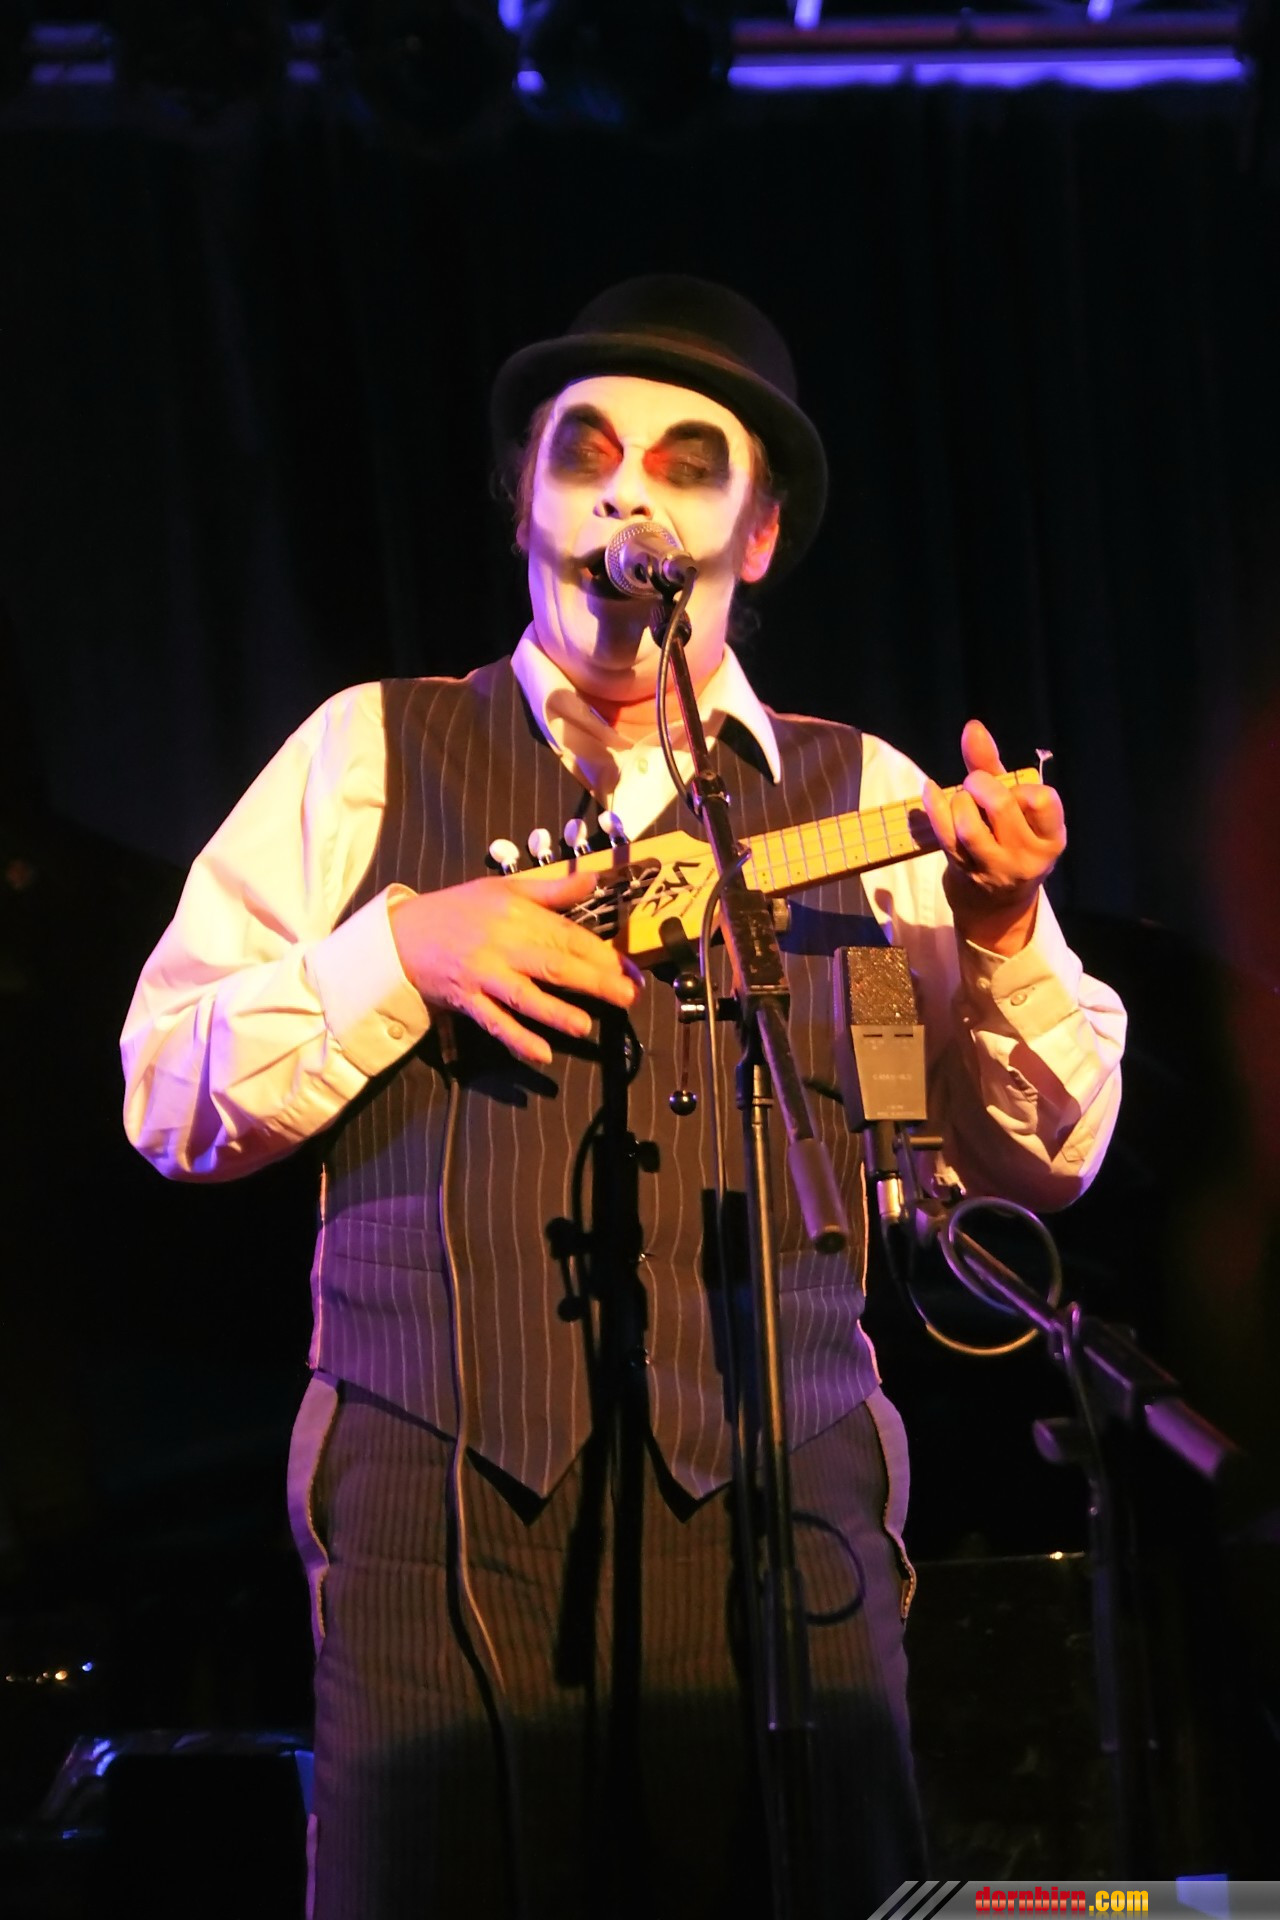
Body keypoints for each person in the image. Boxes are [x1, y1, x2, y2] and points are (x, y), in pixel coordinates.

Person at [121, 274, 1126, 1920]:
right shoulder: (364, 756)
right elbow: (166, 1092)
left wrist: (1005, 931)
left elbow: (1054, 1154)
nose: (627, 499)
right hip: (440, 1516)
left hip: (791, 1505)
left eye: (685, 464)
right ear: (523, 497)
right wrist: (403, 949)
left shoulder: (866, 795)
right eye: (584, 454)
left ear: (757, 535)